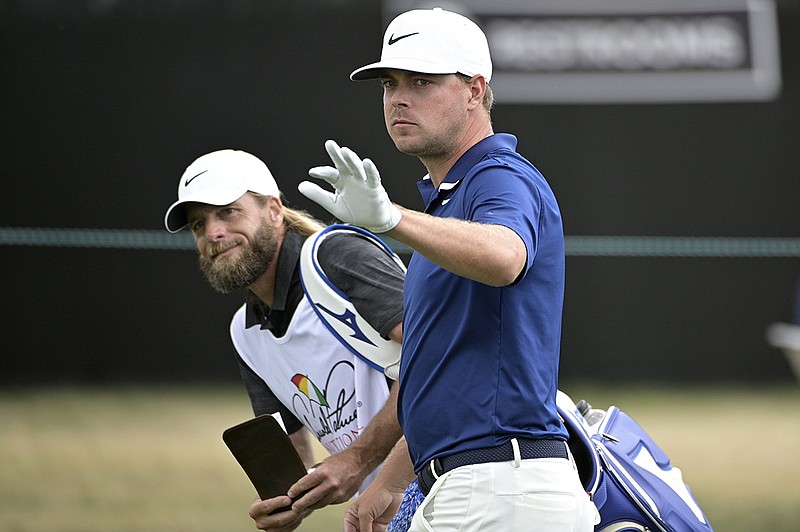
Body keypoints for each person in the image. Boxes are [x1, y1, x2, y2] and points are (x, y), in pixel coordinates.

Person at [299, 7, 600, 532]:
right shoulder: (449, 203)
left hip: (504, 490)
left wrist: (392, 219)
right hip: (473, 486)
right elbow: (446, 381)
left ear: (475, 89)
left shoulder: (499, 175)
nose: (399, 98)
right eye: (390, 84)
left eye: (422, 80)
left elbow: (505, 257)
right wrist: (390, 484)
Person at [163, 148, 406, 531]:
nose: (212, 233)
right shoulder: (245, 332)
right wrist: (286, 503)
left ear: (274, 210)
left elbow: (441, 361)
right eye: (198, 225)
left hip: (457, 481)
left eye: (228, 211)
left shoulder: (334, 257)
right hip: (383, 512)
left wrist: (358, 460)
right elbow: (290, 460)